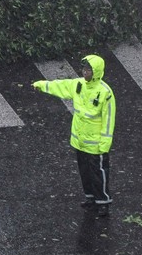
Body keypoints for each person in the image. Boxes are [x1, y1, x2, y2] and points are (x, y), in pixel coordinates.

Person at [33, 54, 116, 217]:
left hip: (95, 144)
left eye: (88, 70)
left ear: (96, 72)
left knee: (98, 174)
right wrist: (42, 85)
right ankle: (91, 199)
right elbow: (61, 87)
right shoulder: (79, 85)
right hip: (80, 142)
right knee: (85, 172)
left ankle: (103, 202)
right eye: (84, 69)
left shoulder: (105, 93)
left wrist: (105, 144)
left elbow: (108, 119)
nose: (85, 73)